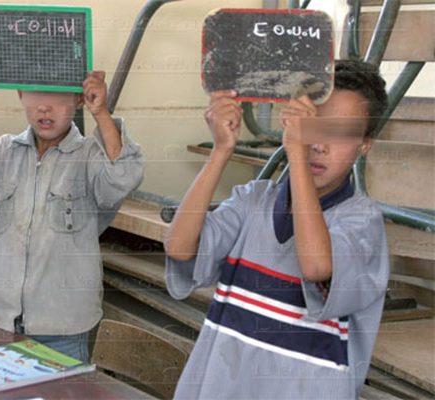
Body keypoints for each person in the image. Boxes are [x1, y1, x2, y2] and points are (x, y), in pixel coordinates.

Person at [164, 59, 390, 398]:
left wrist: (296, 155)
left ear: (365, 144)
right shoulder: (254, 199)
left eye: (340, 132)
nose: (319, 143)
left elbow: (316, 266)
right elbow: (179, 246)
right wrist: (221, 150)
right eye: (313, 125)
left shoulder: (362, 222)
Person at [0, 64, 144, 362]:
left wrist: (102, 113)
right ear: (20, 94)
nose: (44, 107)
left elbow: (123, 176)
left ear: (79, 99)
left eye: (57, 96)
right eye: (34, 94)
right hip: (0, 322)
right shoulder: (4, 152)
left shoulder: (91, 156)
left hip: (64, 330)